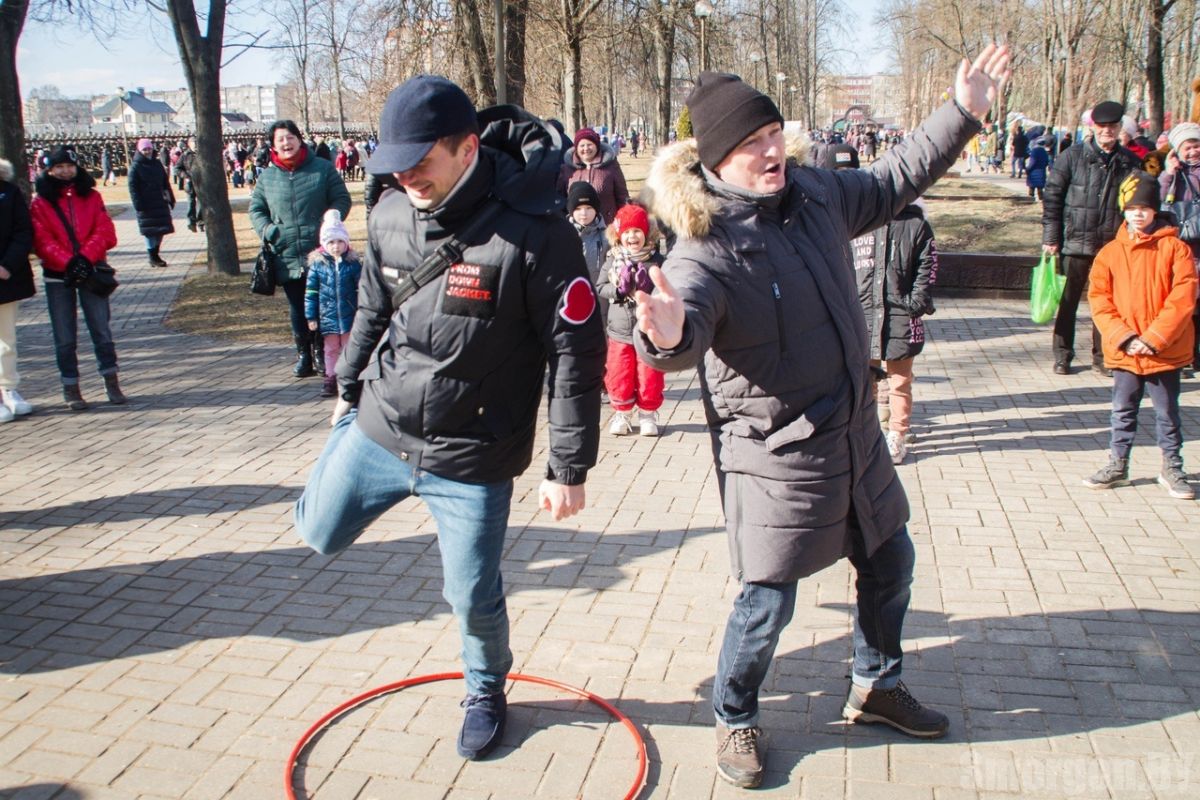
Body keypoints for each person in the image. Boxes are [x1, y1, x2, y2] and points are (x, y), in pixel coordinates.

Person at [632, 46, 1010, 789]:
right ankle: (735, 715)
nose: (770, 150)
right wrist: (666, 333)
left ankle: (876, 688)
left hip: (854, 435)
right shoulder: (702, 251)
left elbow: (895, 178)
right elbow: (677, 335)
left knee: (890, 561)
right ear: (714, 161)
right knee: (766, 603)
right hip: (776, 457)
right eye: (749, 144)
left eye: (772, 132)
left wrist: (962, 113)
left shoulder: (816, 195)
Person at [292, 76, 605, 761]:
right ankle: (350, 446)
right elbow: (374, 302)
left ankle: (486, 689)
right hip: (382, 423)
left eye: (420, 161)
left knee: (470, 595)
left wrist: (568, 465)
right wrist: (347, 393)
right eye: (394, 164)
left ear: (466, 148)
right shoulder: (389, 211)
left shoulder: (537, 234)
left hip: (472, 453)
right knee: (315, 531)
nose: (405, 176)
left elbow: (576, 352)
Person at [1083, 172, 1196, 499]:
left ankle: (1172, 466)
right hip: (1126, 351)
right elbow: (1099, 298)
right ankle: (1118, 463)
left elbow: (1183, 297)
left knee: (1167, 411)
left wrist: (1155, 337)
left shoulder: (1176, 249)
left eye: (1145, 207)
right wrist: (1123, 336)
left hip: (1164, 350)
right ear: (1124, 210)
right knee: (1122, 409)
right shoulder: (1110, 253)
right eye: (1132, 207)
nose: (1138, 213)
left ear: (1155, 210)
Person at [1042, 100, 1141, 376]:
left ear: (1120, 128)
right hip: (1075, 242)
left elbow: (1139, 202)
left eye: (1112, 126)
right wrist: (1051, 238)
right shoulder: (1071, 157)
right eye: (1102, 126)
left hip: (1113, 246)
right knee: (1067, 303)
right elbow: (1052, 200)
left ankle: (1102, 355)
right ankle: (1063, 355)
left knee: (1107, 305)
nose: (1107, 131)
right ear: (1093, 127)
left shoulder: (1130, 162)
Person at [249, 119, 352, 379]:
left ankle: (321, 351)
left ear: (299, 138)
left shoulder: (323, 169)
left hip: (320, 252)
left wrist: (330, 221)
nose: (286, 143)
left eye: (290, 137)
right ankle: (303, 353)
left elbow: (342, 198)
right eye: (280, 139)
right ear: (273, 145)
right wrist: (269, 231)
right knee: (297, 306)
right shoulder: (268, 177)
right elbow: (257, 209)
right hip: (287, 253)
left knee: (322, 304)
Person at [29, 146, 123, 409]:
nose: (65, 171)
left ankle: (111, 380)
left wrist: (85, 257)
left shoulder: (91, 196)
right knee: (65, 335)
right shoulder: (40, 202)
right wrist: (68, 262)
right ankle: (71, 386)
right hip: (58, 275)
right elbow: (41, 239)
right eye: (59, 167)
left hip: (91, 270)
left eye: (69, 165)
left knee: (101, 329)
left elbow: (105, 231)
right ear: (49, 170)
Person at [850, 200, 937, 464]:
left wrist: (916, 303)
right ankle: (868, 432)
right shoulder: (861, 225)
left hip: (900, 317)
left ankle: (897, 434)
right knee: (866, 381)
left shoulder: (916, 226)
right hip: (864, 313)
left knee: (900, 382)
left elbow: (927, 267)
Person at [596, 203, 666, 437]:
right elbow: (600, 286)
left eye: (637, 230)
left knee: (649, 374)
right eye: (626, 232)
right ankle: (622, 413)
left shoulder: (657, 261)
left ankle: (647, 414)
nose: (632, 236)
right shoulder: (613, 259)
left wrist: (650, 293)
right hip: (620, 329)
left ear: (646, 232)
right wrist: (618, 291)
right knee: (619, 373)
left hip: (649, 329)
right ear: (619, 235)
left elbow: (669, 288)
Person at [305, 210, 362, 398]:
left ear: (346, 242)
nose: (335, 246)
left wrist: (362, 309)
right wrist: (311, 316)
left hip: (349, 314)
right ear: (324, 244)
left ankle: (348, 377)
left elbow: (362, 288)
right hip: (327, 316)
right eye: (331, 242)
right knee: (330, 349)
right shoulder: (318, 265)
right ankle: (330, 377)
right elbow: (311, 293)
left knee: (348, 348)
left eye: (339, 241)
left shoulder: (353, 264)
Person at [1159, 122, 1200, 374]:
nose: (1193, 152)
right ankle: (1183, 353)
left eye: (1197, 146)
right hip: (1180, 247)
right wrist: (1168, 174)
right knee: (1183, 304)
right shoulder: (1170, 173)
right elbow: (1160, 201)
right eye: (1188, 147)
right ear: (1177, 149)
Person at [0, 158, 35, 422]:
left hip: (4, 277)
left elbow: (24, 231)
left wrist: (7, 265)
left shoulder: (9, 192)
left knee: (6, 340)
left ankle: (9, 389)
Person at [558, 128, 629, 224]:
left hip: (607, 225)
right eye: (582, 145)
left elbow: (622, 196)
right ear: (576, 148)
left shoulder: (611, 166)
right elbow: (560, 199)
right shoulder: (566, 169)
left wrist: (624, 219)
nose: (586, 148)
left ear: (597, 145)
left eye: (589, 145)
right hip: (576, 228)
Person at [127, 138, 175, 268]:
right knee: (150, 232)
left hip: (159, 202)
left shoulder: (157, 163)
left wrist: (171, 198)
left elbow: (165, 182)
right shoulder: (135, 167)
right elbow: (133, 188)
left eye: (149, 148)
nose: (147, 151)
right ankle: (152, 256)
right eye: (144, 149)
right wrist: (138, 204)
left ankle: (155, 253)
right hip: (146, 204)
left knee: (161, 230)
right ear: (139, 150)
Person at [566, 181, 609, 288]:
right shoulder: (562, 236)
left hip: (600, 297)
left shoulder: (607, 236)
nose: (584, 213)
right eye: (578, 209)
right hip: (571, 294)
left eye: (589, 208)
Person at [1025, 136, 1050, 201]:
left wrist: (1027, 169)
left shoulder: (1034, 151)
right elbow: (1047, 162)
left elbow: (1032, 163)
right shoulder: (1045, 152)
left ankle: (1030, 200)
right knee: (1040, 189)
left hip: (1033, 172)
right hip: (1041, 172)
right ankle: (1041, 201)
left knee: (1031, 189)